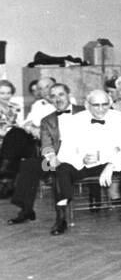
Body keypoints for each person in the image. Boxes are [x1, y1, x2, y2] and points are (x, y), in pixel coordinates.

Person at [51, 90, 121, 233]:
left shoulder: (120, 118)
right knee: (61, 168)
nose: (100, 109)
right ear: (87, 105)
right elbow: (65, 152)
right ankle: (60, 218)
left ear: (110, 104)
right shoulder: (73, 120)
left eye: (105, 104)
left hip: (113, 162)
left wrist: (111, 165)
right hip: (85, 164)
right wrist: (81, 158)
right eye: (96, 105)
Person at [6, 83, 77, 225]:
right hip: (55, 158)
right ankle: (26, 210)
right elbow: (46, 145)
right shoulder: (47, 119)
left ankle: (61, 218)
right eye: (53, 96)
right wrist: (52, 158)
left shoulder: (84, 112)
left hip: (78, 160)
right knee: (29, 165)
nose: (57, 99)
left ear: (69, 95)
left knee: (60, 171)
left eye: (61, 94)